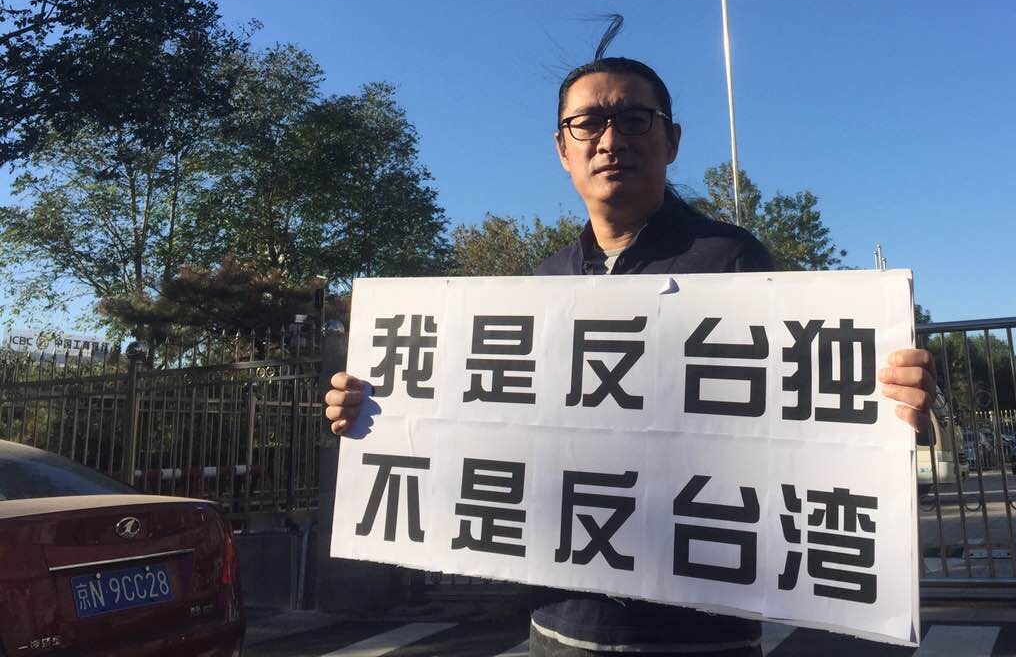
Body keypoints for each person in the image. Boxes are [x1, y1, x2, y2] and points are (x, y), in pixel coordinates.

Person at [325, 54, 937, 657]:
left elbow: (802, 426)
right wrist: (374, 408)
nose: (611, 139)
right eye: (587, 123)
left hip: (699, 636)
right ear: (562, 149)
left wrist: (891, 405)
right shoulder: (544, 283)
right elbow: (478, 426)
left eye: (634, 119)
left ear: (672, 140)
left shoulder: (732, 260)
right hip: (558, 626)